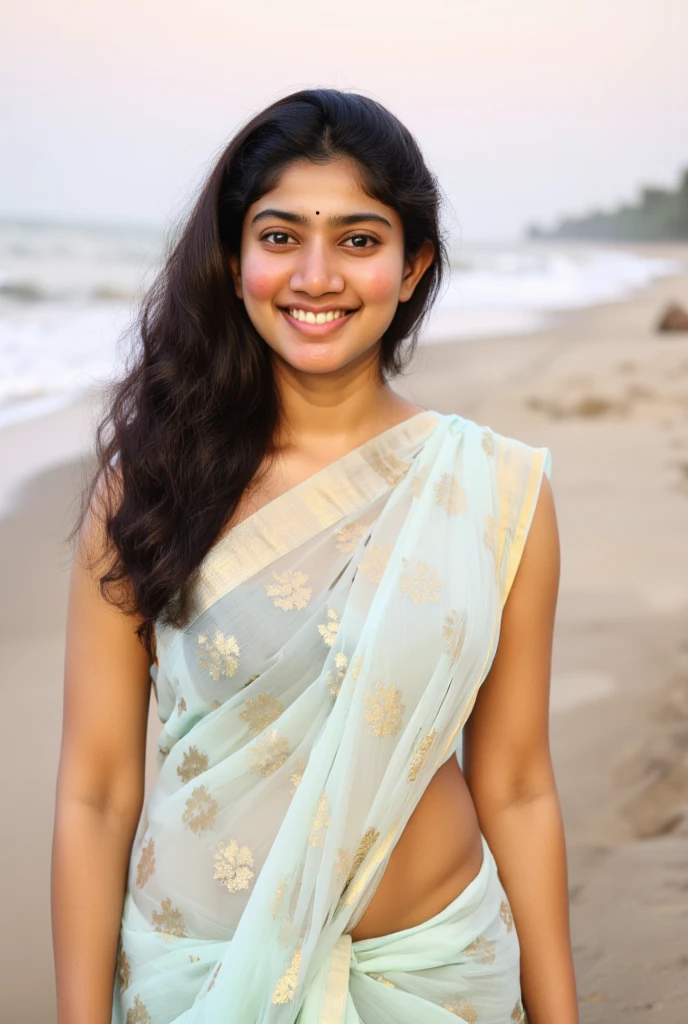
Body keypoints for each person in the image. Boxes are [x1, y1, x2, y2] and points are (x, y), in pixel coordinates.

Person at [51, 88, 578, 1023]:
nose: (318, 274)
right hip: (197, 983)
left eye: (361, 240)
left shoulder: (496, 492)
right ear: (233, 257)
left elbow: (520, 784)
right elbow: (95, 792)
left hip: (433, 978)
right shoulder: (151, 492)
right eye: (282, 236)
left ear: (414, 267)